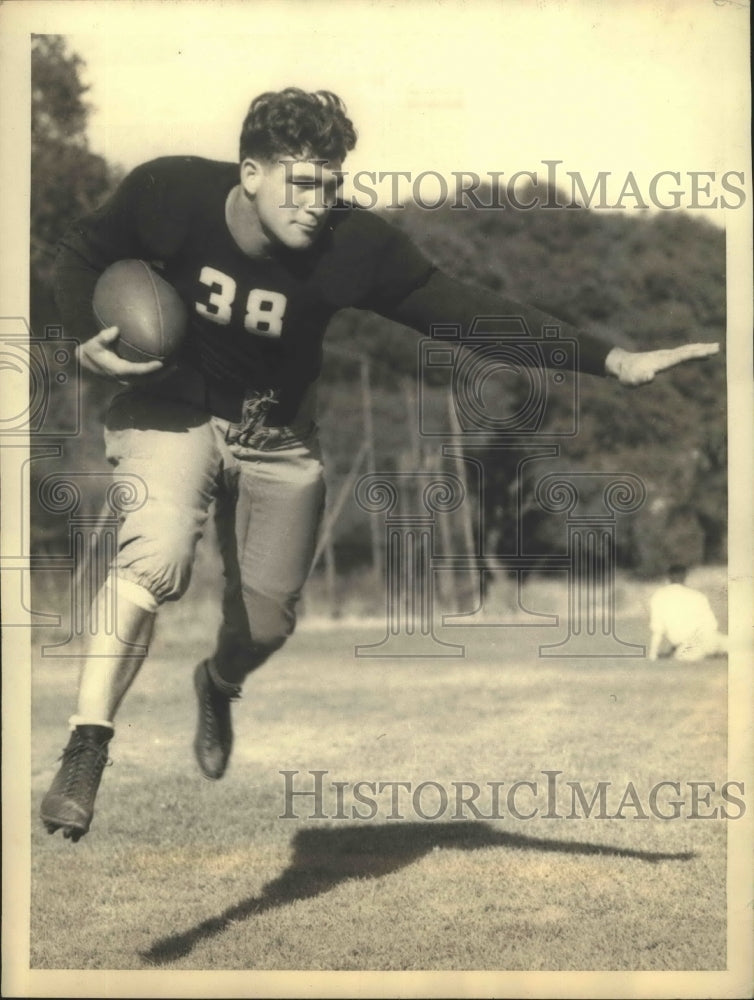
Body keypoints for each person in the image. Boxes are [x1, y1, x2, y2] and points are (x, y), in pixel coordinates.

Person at [41, 88, 720, 841]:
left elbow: (466, 310)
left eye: (332, 185)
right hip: (175, 406)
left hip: (278, 434)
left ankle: (219, 681)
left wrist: (610, 358)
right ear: (251, 172)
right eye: (301, 183)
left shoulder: (352, 245)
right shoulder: (170, 193)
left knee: (265, 627)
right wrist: (81, 339)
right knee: (154, 557)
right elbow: (80, 252)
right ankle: (87, 742)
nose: (317, 204)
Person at [648, 564, 727, 662]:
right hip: (709, 639)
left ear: (668, 577)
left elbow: (657, 630)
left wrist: (653, 653)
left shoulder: (658, 596)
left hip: (687, 647)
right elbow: (712, 625)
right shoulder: (698, 596)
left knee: (685, 654)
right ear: (685, 577)